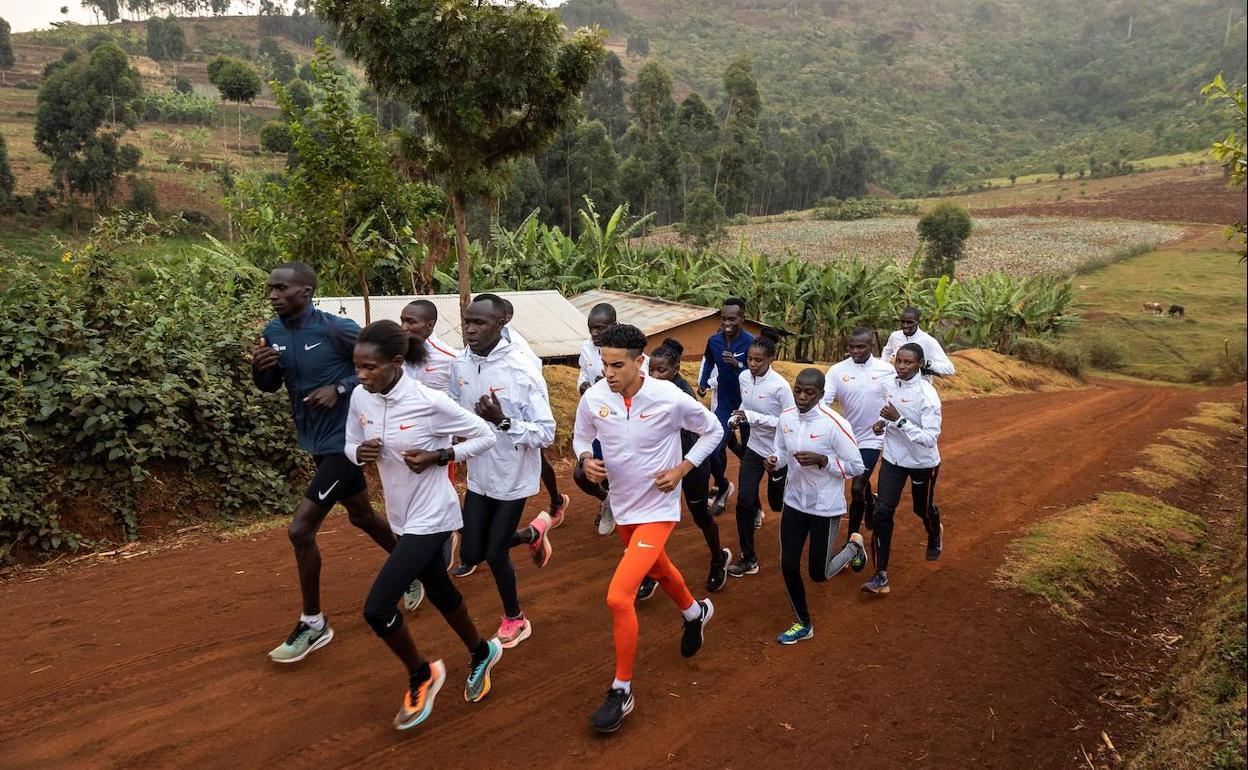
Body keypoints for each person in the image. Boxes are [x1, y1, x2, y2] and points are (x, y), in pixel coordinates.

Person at [250, 262, 421, 663]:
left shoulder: (334, 329)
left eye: (281, 288)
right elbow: (271, 386)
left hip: (345, 442)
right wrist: (260, 372)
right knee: (361, 515)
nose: (273, 295)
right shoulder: (273, 333)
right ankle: (413, 569)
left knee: (300, 529)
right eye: (271, 288)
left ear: (306, 291)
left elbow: (378, 365)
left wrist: (339, 387)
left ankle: (314, 624)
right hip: (313, 441)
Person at [345, 321, 503, 730]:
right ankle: (481, 650)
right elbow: (348, 444)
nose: (361, 376)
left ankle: (422, 674)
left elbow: (484, 436)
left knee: (377, 608)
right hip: (400, 514)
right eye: (357, 367)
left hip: (433, 514)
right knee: (438, 588)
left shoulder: (428, 401)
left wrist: (441, 456)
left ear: (397, 363)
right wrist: (357, 451)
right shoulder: (362, 398)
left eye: (369, 368)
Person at [574, 324, 721, 733]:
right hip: (623, 508)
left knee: (619, 597)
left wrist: (683, 468)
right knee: (658, 568)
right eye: (604, 363)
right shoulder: (595, 397)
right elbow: (581, 434)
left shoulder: (668, 397)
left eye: (618, 364)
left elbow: (714, 429)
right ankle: (695, 613)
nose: (609, 372)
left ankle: (622, 690)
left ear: (640, 362)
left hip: (658, 508)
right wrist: (586, 458)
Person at [447, 294, 556, 647]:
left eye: (479, 323)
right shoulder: (459, 364)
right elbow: (452, 408)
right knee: (471, 553)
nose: (471, 329)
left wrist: (504, 422)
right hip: (479, 472)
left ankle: (515, 618)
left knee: (494, 554)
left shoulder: (521, 369)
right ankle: (531, 534)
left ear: (501, 323)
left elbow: (546, 432)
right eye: (467, 321)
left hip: (514, 474)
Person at [766, 368, 868, 644]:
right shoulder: (785, 417)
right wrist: (775, 460)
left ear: (821, 394)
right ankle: (803, 623)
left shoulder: (834, 424)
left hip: (825, 506)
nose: (801, 397)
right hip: (795, 501)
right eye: (798, 390)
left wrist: (824, 461)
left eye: (808, 392)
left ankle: (854, 547)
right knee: (788, 565)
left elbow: (857, 466)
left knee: (819, 573)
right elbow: (782, 451)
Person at [635, 338, 732, 601]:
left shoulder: (682, 395)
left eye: (662, 370)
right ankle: (648, 572)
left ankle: (718, 557)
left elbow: (708, 432)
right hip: (661, 464)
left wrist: (686, 465)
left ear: (676, 368)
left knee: (700, 515)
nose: (655, 375)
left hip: (689, 464)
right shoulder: (647, 390)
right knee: (652, 519)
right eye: (652, 370)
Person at [862, 343, 944, 596]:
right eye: (898, 361)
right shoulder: (891, 384)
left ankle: (934, 531)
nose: (901, 366)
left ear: (919, 364)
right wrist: (882, 423)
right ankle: (880, 575)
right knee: (883, 512)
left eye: (908, 363)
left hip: (922, 463)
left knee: (922, 508)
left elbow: (930, 439)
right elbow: (888, 415)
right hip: (893, 459)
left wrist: (898, 419)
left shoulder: (928, 395)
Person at [573, 302, 649, 536]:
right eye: (591, 328)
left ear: (614, 325)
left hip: (626, 421)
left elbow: (640, 384)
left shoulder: (632, 352)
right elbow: (582, 375)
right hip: (599, 420)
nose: (595, 333)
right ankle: (608, 500)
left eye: (601, 328)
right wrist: (583, 386)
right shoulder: (586, 349)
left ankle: (639, 522)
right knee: (581, 473)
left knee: (627, 473)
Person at [726, 329, 795, 578]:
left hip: (778, 452)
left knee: (777, 504)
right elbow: (746, 406)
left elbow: (789, 422)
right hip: (754, 449)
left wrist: (752, 417)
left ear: (770, 360)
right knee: (744, 500)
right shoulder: (744, 377)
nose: (753, 364)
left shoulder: (780, 387)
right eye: (750, 359)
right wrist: (736, 418)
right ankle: (748, 557)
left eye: (759, 360)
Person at [500, 296, 570, 529]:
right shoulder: (488, 339)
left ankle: (556, 501)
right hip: (501, 410)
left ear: (506, 318)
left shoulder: (512, 340)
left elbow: (533, 372)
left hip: (522, 409)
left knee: (537, 457)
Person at [824, 327, 897, 542]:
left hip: (873, 437)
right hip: (848, 436)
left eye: (860, 347)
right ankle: (870, 502)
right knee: (860, 481)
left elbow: (894, 399)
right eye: (851, 347)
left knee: (856, 487)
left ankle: (851, 542)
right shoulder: (837, 371)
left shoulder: (886, 370)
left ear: (871, 347)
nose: (855, 351)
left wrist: (884, 422)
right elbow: (824, 401)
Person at [697, 299, 755, 515]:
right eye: (723, 318)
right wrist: (703, 383)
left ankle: (752, 504)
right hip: (724, 406)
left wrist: (739, 366)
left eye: (732, 318)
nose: (727, 322)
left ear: (742, 319)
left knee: (749, 458)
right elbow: (709, 361)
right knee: (712, 449)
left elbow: (759, 372)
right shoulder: (713, 341)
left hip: (748, 406)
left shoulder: (751, 342)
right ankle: (722, 486)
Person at [399, 299, 460, 393]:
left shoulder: (452, 359)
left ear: (430, 325)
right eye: (402, 321)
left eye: (411, 322)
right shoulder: (396, 353)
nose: (403, 327)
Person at [880, 307, 955, 380]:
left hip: (920, 387)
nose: (905, 325)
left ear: (917, 322)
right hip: (897, 384)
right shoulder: (895, 336)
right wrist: (884, 368)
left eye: (910, 322)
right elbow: (887, 352)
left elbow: (949, 369)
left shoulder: (928, 341)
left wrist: (927, 364)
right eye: (903, 322)